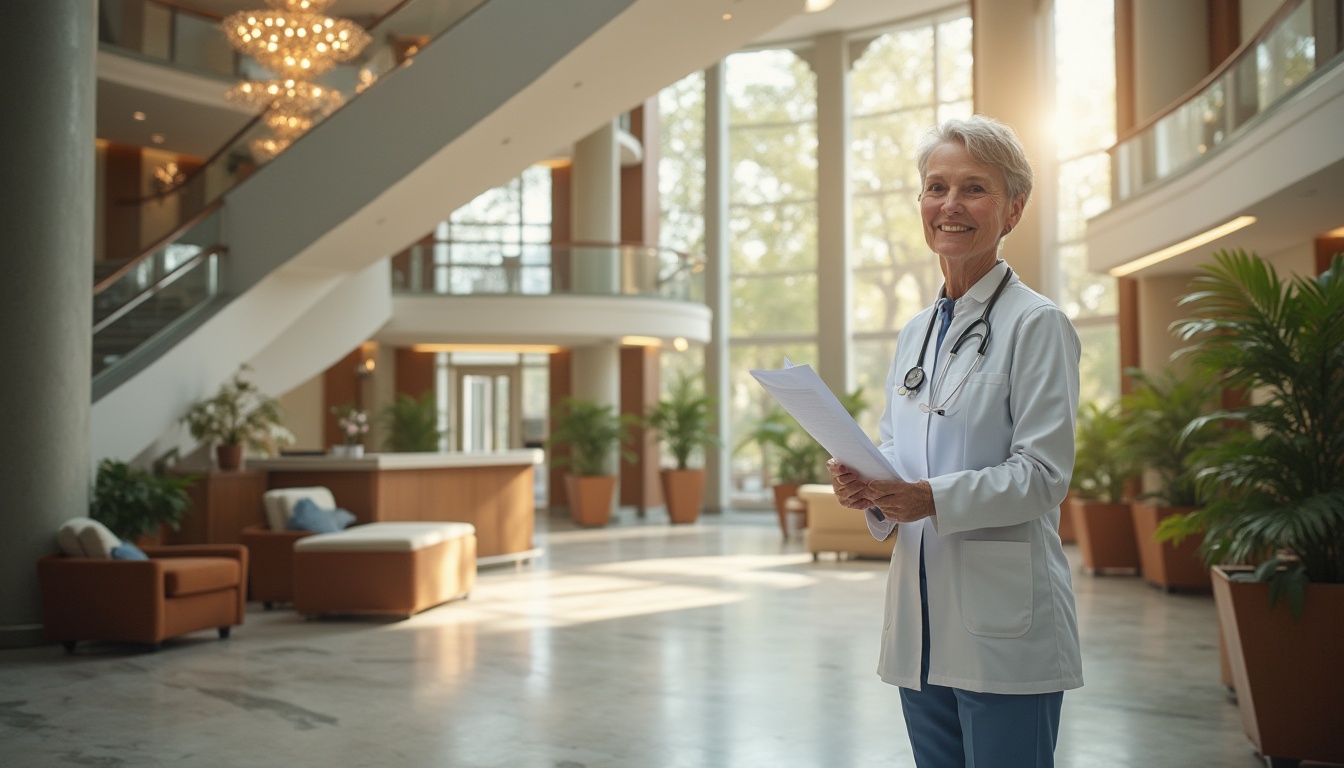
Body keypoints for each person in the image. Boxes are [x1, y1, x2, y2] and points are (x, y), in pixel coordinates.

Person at [827, 115, 1082, 767]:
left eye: (973, 188)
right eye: (935, 187)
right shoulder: (914, 332)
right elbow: (897, 453)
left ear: (1013, 208)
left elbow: (1042, 475)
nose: (950, 205)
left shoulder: (1037, 324)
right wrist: (868, 489)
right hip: (920, 625)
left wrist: (928, 498)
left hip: (1004, 629)